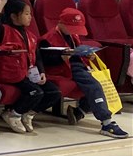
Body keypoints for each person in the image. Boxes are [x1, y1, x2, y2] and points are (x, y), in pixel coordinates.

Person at [39, 8, 128, 139]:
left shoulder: (73, 36)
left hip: (79, 66)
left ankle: (78, 111)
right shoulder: (47, 39)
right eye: (71, 27)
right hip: (64, 69)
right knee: (94, 86)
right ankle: (107, 122)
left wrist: (87, 55)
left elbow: (78, 52)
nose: (74, 31)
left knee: (97, 85)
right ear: (61, 23)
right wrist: (61, 58)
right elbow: (43, 60)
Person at [0, 0, 61, 134]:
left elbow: (37, 55)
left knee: (54, 92)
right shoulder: (5, 31)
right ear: (14, 16)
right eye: (26, 14)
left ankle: (28, 113)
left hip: (27, 73)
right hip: (11, 73)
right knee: (35, 92)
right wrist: (1, 3)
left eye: (30, 14)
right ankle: (13, 114)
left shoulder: (30, 35)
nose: (30, 17)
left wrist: (42, 71)